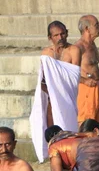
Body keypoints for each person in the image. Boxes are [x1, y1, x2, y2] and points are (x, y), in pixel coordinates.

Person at [30, 21, 82, 163]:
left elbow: (73, 77)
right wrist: (51, 89)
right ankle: (54, 154)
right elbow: (43, 78)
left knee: (68, 127)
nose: (60, 37)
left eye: (63, 33)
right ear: (50, 37)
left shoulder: (74, 50)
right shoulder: (46, 54)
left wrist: (58, 85)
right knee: (51, 124)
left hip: (67, 98)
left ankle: (69, 156)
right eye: (56, 35)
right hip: (51, 99)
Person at [75, 15, 99, 125]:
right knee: (86, 123)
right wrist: (84, 80)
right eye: (96, 25)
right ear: (87, 29)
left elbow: (93, 66)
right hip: (86, 89)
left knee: (97, 123)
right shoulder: (78, 47)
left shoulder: (92, 44)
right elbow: (68, 72)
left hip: (97, 87)